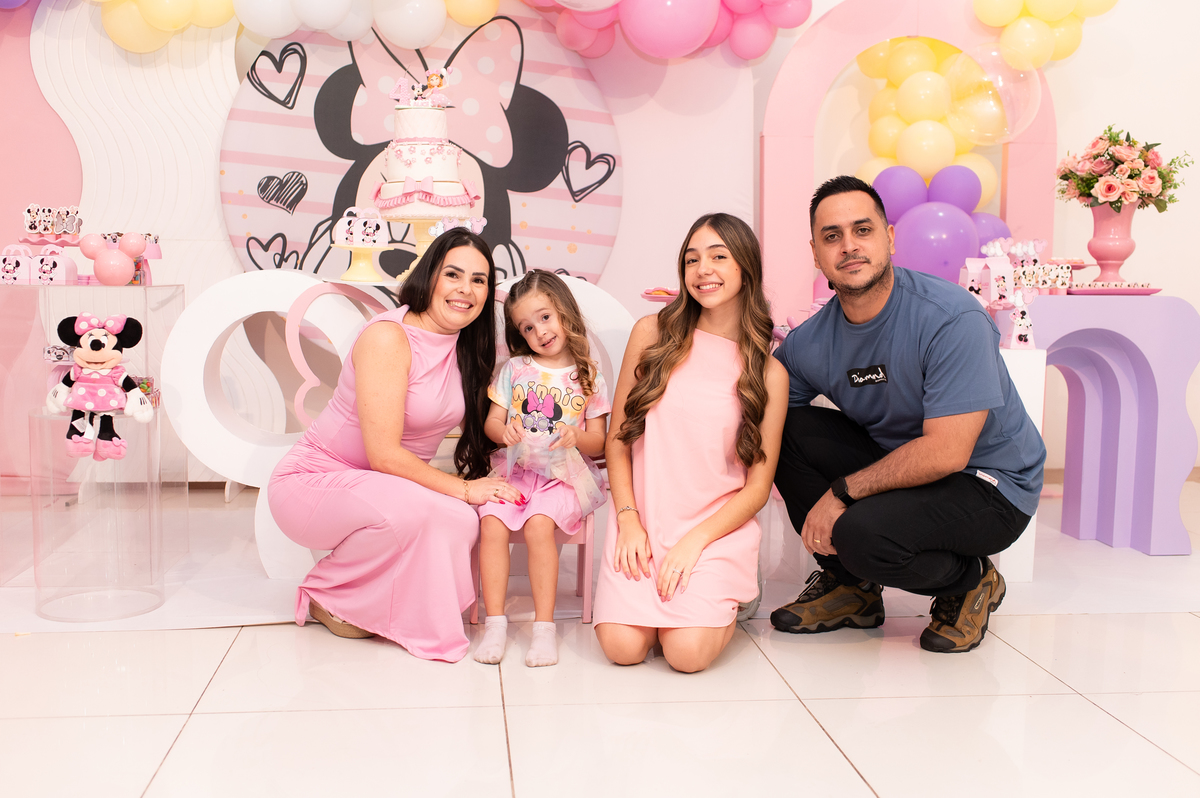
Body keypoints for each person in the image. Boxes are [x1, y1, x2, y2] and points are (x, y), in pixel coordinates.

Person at [770, 175, 1046, 653]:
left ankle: (971, 581)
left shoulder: (950, 317)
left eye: (863, 230)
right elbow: (761, 412)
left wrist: (841, 493)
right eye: (832, 236)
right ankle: (852, 588)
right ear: (815, 253)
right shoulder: (812, 342)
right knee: (786, 429)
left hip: (991, 483)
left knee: (861, 535)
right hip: (903, 466)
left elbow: (946, 453)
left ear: (890, 238)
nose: (849, 246)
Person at [267, 229, 521, 663]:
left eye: (479, 280)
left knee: (461, 521)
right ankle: (326, 591)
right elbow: (383, 455)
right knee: (428, 510)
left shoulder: (464, 347)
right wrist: (465, 488)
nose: (466, 289)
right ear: (429, 276)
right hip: (312, 482)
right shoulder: (389, 337)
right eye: (453, 274)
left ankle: (377, 606)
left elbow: (486, 426)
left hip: (385, 486)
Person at [594, 213, 789, 673]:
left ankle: (736, 591)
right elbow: (617, 440)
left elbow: (757, 488)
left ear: (745, 267)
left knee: (685, 655)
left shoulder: (769, 373)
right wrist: (628, 520)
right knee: (623, 649)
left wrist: (695, 542)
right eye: (692, 259)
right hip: (642, 524)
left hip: (713, 533)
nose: (703, 270)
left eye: (718, 257)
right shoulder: (652, 333)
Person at [474, 270, 611, 668]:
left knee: (538, 526)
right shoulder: (515, 369)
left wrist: (576, 436)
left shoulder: (589, 377)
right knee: (491, 523)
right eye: (527, 327)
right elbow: (492, 422)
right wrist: (504, 431)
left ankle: (544, 629)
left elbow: (599, 442)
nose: (540, 332)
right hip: (518, 472)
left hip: (564, 479)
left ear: (564, 311)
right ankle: (495, 624)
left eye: (545, 317)